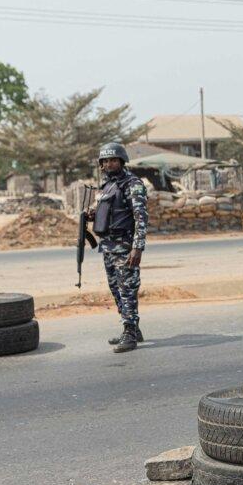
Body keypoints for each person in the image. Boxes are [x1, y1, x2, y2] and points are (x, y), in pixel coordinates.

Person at [88, 143, 148, 353]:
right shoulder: (106, 186)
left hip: (125, 247)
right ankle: (132, 326)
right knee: (116, 289)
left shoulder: (133, 184)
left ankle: (129, 332)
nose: (109, 163)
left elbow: (141, 217)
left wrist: (137, 248)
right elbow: (107, 213)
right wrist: (91, 216)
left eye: (113, 160)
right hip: (108, 247)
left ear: (121, 161)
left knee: (127, 290)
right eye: (105, 161)